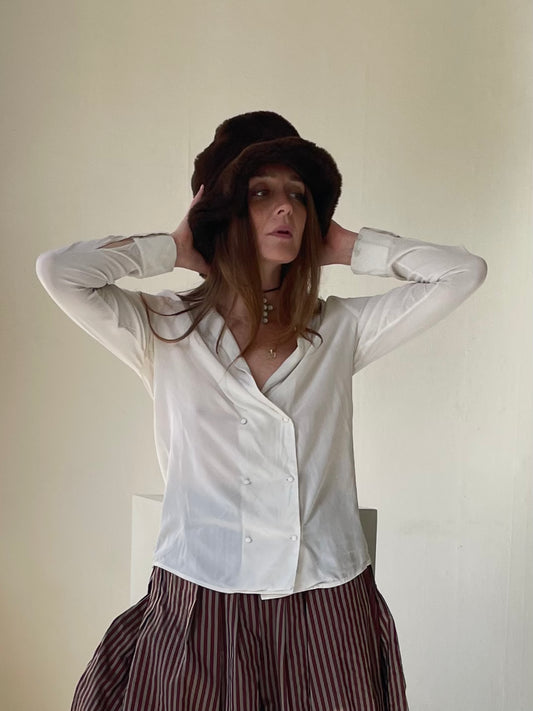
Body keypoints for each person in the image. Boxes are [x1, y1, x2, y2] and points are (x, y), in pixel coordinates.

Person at [36, 110, 487, 711]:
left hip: (326, 606)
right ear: (223, 210)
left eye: (298, 196)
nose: (286, 209)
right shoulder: (164, 327)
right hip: (201, 604)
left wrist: (348, 247)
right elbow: (60, 272)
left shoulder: (337, 329)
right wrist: (173, 247)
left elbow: (462, 273)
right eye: (260, 194)